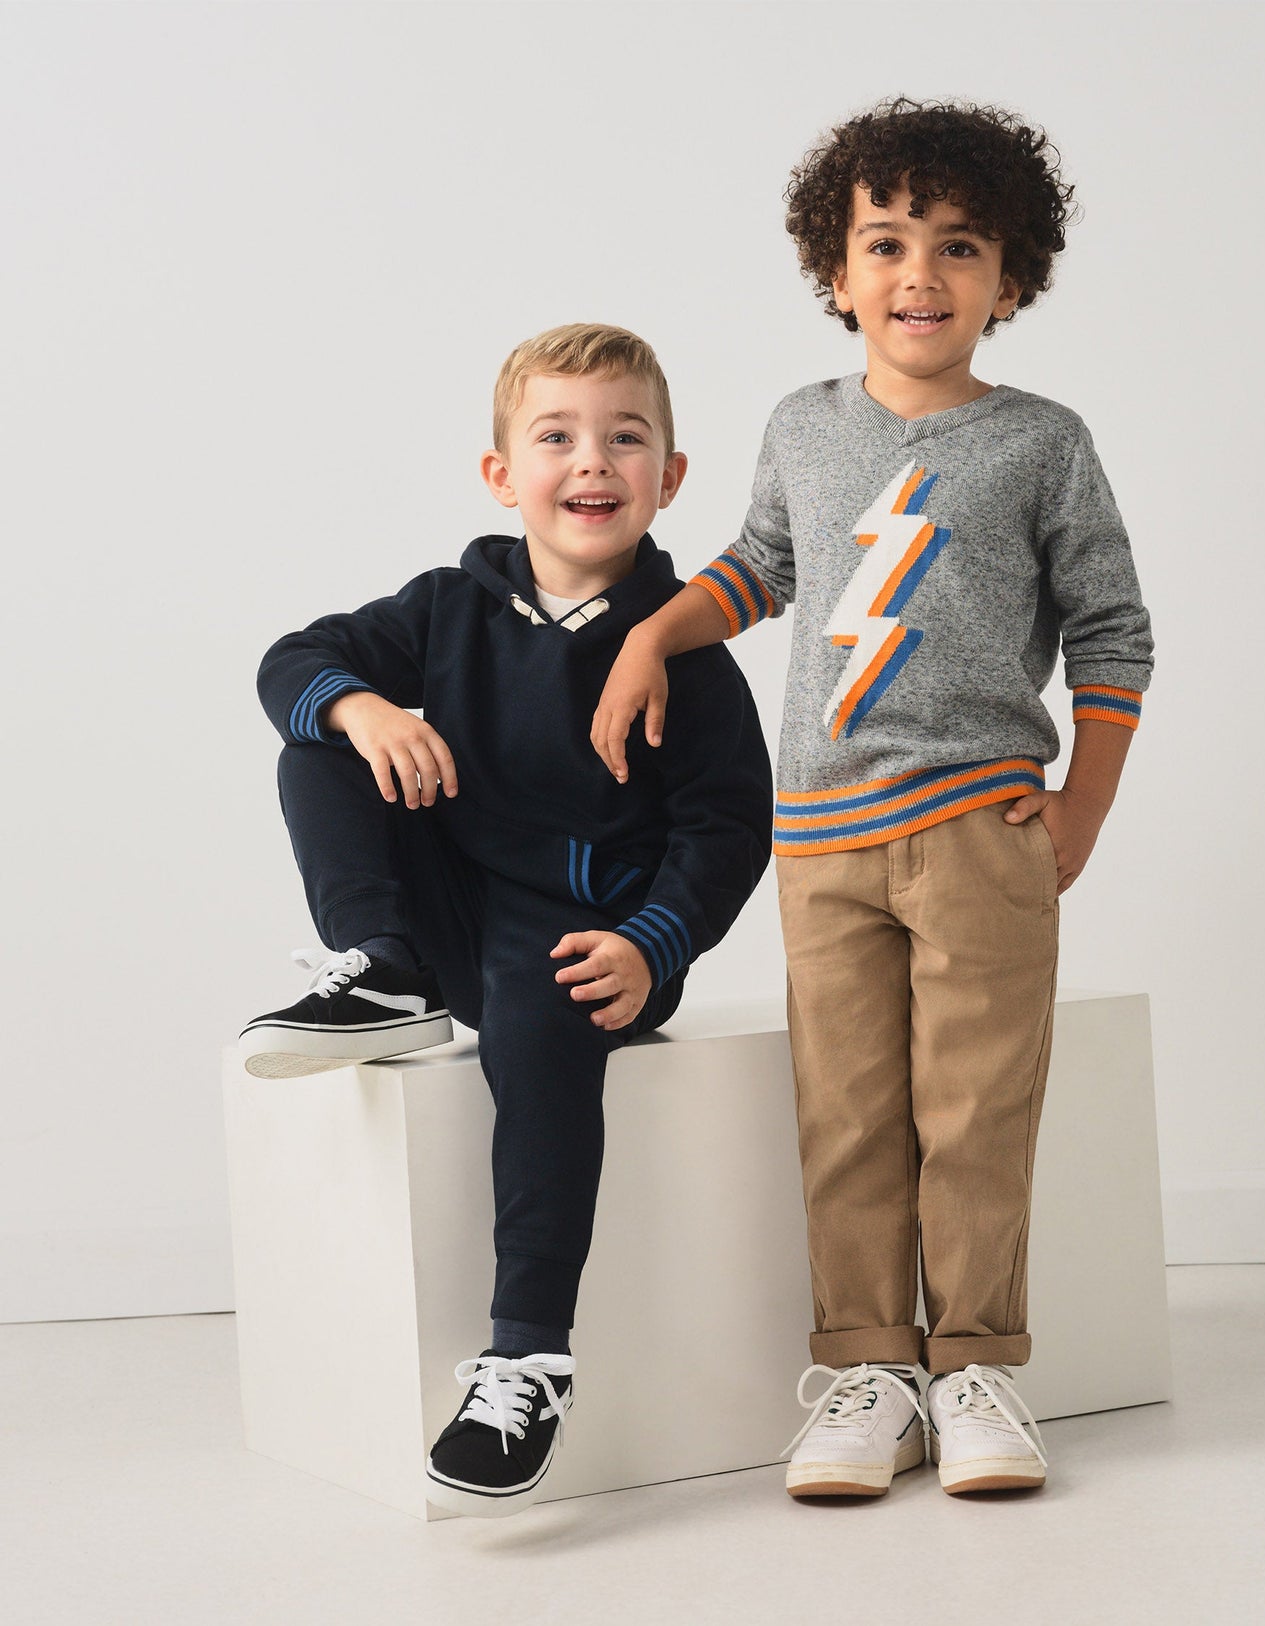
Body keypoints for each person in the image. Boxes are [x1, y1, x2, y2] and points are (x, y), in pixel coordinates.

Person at [590, 98, 1155, 1499]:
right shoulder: (801, 425)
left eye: (958, 246)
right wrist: (656, 633)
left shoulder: (1044, 443)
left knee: (974, 1109)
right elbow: (758, 567)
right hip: (822, 838)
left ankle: (975, 1369)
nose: (919, 275)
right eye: (886, 242)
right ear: (834, 272)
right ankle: (867, 1370)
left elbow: (1112, 630)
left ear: (1009, 280)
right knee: (845, 1110)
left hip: (982, 825)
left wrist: (1082, 804)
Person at [240, 323, 773, 1516]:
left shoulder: (685, 652)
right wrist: (371, 710)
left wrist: (654, 942)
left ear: (668, 477)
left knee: (536, 1055)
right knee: (321, 737)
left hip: (595, 942)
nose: (592, 462)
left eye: (624, 438)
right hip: (454, 914)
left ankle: (527, 1356)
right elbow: (294, 658)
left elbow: (729, 831)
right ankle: (383, 970)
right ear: (501, 475)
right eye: (557, 437)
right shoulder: (448, 608)